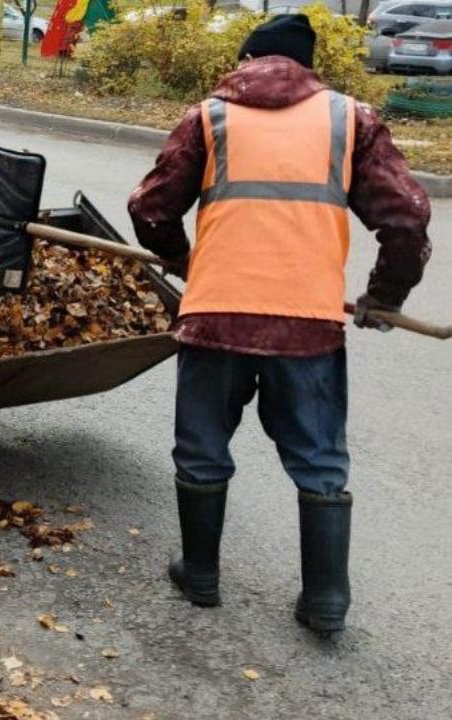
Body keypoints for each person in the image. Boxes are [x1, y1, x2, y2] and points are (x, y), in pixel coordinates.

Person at [127, 14, 431, 633]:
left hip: (216, 316)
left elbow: (149, 207)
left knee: (203, 447)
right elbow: (408, 219)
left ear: (245, 60)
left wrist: (191, 264)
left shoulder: (209, 117)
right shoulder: (351, 120)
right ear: (308, 65)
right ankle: (325, 601)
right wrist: (383, 297)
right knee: (319, 459)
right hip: (307, 324)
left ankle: (201, 574)